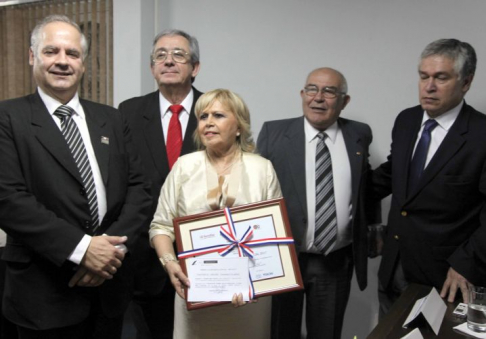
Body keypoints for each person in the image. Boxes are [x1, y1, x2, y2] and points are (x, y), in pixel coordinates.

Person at [0, 15, 151, 338]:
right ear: (32, 56)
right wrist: (83, 249)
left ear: (84, 63)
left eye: (72, 54)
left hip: (109, 289)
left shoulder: (111, 119)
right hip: (45, 292)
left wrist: (111, 252)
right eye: (51, 51)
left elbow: (140, 189)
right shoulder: (8, 118)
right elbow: (8, 199)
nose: (62, 61)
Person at [149, 89, 282, 339]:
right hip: (196, 292)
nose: (208, 122)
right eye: (202, 116)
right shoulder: (184, 166)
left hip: (249, 298)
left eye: (218, 115)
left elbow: (276, 236)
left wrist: (260, 283)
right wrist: (169, 263)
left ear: (239, 127)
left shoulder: (262, 169)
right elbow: (160, 226)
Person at [258, 67, 379, 339]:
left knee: (326, 333)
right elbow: (257, 194)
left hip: (334, 262)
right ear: (302, 94)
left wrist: (374, 228)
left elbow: (365, 186)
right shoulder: (273, 133)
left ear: (344, 101)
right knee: (281, 333)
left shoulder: (359, 134)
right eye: (312, 89)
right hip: (284, 258)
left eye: (329, 91)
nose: (318, 98)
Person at [372, 39, 486, 316]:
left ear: (466, 82)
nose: (429, 86)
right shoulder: (407, 120)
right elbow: (394, 173)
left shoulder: (482, 134)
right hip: (394, 265)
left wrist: (465, 264)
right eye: (424, 76)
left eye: (441, 78)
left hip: (448, 275)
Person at [118, 29, 202, 339]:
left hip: (203, 253)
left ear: (195, 67)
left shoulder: (215, 110)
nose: (168, 61)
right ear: (152, 68)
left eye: (178, 54)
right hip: (144, 257)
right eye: (160, 56)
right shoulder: (127, 112)